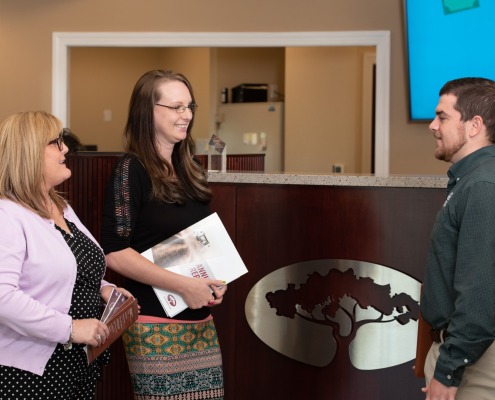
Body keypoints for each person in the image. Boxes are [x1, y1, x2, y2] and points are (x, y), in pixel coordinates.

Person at [101, 69, 227, 400]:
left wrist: (214, 279)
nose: (186, 115)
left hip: (200, 319)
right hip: (154, 321)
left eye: (189, 106)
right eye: (175, 107)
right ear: (148, 110)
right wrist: (185, 285)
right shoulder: (131, 170)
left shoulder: (190, 168)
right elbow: (114, 251)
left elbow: (195, 243)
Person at [0, 111, 133, 400]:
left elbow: (74, 268)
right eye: (55, 142)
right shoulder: (6, 215)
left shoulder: (59, 206)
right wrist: (70, 328)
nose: (66, 149)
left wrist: (105, 290)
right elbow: (2, 298)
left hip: (75, 364)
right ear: (28, 151)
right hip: (31, 373)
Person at [421, 77, 495, 400]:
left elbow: (480, 294)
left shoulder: (483, 186)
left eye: (443, 116)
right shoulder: (470, 181)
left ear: (474, 125)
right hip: (459, 355)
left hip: (473, 365)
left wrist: (448, 370)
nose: (432, 125)